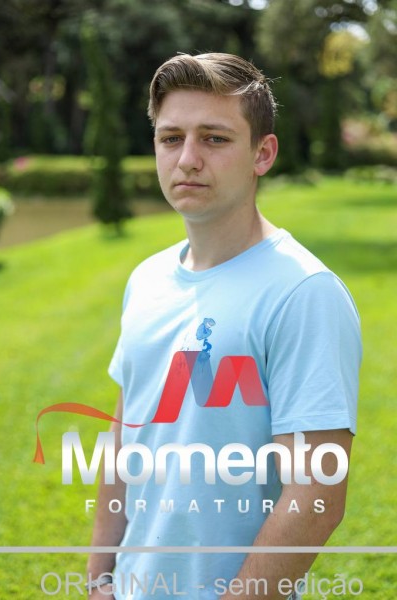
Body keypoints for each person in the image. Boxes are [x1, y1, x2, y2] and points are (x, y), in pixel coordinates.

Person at [86, 53, 361, 600]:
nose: (188, 159)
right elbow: (124, 439)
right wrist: (98, 579)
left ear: (263, 153)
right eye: (171, 138)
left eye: (214, 138)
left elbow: (317, 495)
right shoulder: (147, 279)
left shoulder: (303, 292)